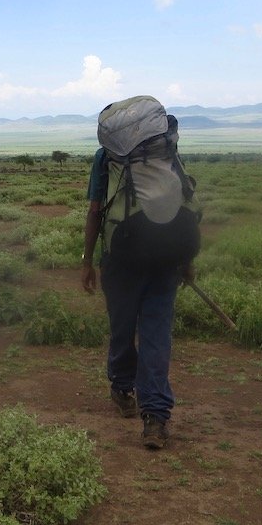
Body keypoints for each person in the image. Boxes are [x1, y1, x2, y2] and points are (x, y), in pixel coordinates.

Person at [80, 114, 196, 450]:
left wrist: (87, 262)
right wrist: (186, 261)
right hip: (165, 259)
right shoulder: (167, 152)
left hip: (120, 259)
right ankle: (156, 419)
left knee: (122, 327)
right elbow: (182, 207)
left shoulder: (108, 157)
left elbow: (94, 211)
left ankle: (122, 388)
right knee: (156, 335)